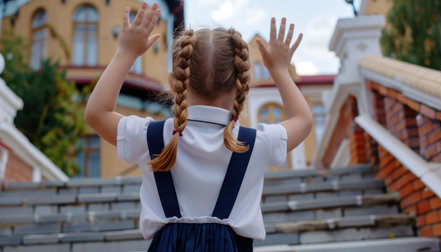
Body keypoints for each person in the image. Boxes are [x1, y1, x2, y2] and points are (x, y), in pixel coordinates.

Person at [85, 2, 312, 251]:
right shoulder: (257, 144)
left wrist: (126, 52)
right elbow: (303, 120)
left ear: (174, 84)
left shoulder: (150, 138)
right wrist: (279, 69)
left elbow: (96, 113)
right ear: (243, 90)